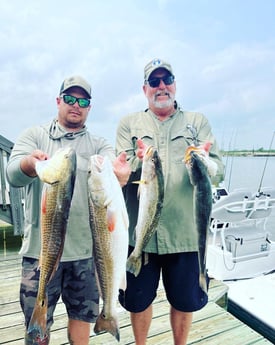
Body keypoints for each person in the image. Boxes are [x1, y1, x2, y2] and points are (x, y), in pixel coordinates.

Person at [6, 75, 130, 345]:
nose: (76, 104)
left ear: (89, 107)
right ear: (58, 100)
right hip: (40, 252)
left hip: (86, 254)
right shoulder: (35, 135)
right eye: (71, 98)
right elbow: (13, 174)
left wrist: (119, 171)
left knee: (82, 319)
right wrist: (30, 163)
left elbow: (113, 162)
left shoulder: (97, 144)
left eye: (83, 100)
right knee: (37, 327)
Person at [116, 58, 224, 345]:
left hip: (185, 234)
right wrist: (134, 163)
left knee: (185, 301)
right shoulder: (129, 124)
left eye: (166, 80)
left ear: (175, 84)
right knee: (137, 301)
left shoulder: (197, 122)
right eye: (154, 82)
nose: (161, 86)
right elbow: (121, 167)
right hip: (139, 236)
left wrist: (203, 161)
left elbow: (218, 169)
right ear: (145, 89)